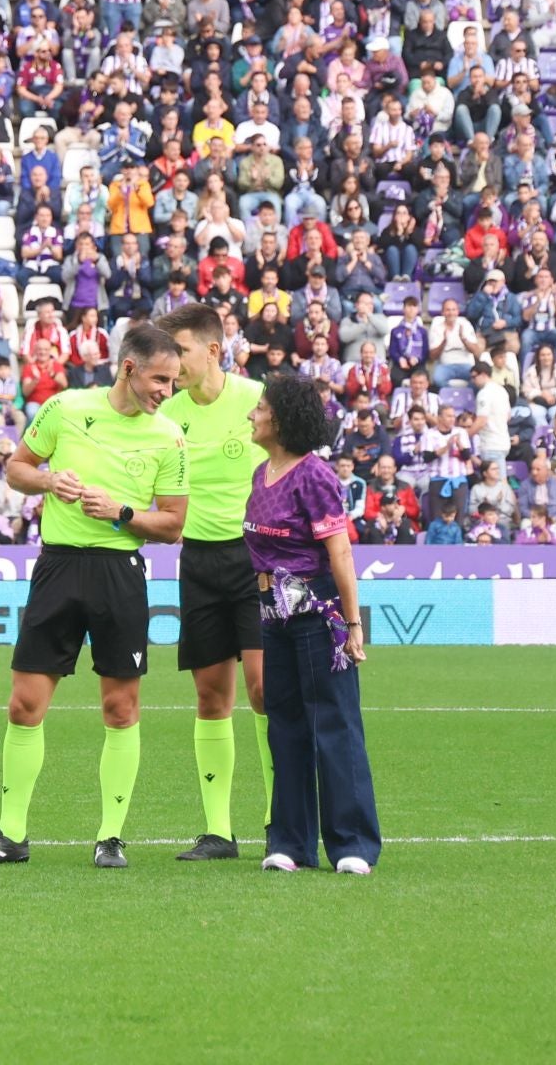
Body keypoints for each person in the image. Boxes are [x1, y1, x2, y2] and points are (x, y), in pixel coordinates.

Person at [0, 324, 188, 870]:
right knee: (25, 704)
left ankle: (110, 837)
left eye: (174, 381)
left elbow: (174, 525)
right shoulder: (64, 407)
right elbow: (15, 469)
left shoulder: (170, 436)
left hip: (120, 575)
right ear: (129, 368)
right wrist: (48, 481)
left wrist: (122, 513)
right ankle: (10, 837)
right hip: (58, 567)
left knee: (120, 707)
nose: (167, 391)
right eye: (161, 379)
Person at [244, 373, 378, 875]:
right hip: (273, 621)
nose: (252, 415)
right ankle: (290, 843)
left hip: (318, 619)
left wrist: (352, 624)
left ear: (278, 418)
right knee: (286, 729)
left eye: (259, 408)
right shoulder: (261, 474)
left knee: (335, 729)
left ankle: (353, 846)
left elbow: (339, 551)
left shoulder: (315, 475)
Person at [155, 304, 271, 861]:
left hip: (257, 559)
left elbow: (297, 469)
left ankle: (281, 821)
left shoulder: (256, 401)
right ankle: (219, 832)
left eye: (181, 351)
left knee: (265, 691)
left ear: (213, 352)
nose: (173, 362)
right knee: (210, 697)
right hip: (198, 562)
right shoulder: (166, 413)